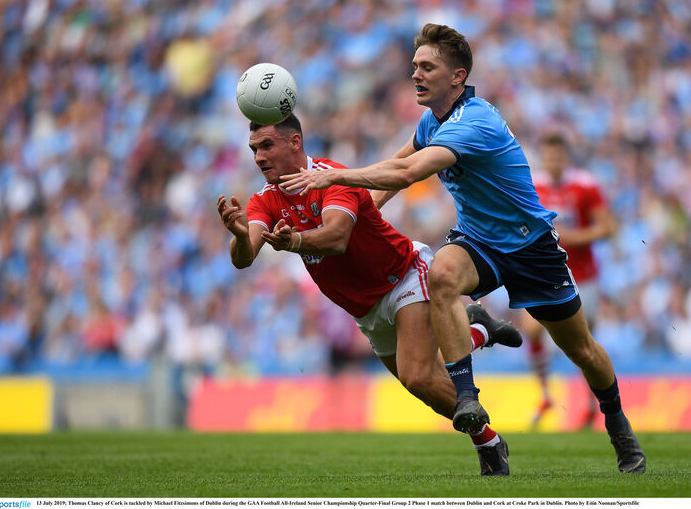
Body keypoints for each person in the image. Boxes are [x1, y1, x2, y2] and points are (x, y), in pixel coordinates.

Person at [280, 23, 646, 474]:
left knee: (581, 349)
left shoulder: (475, 121)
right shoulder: (430, 120)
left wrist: (332, 176)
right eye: (415, 65)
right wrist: (357, 216)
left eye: (427, 66)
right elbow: (396, 164)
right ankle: (467, 396)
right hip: (479, 241)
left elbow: (406, 173)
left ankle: (617, 424)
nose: (415, 73)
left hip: (531, 247)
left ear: (457, 77)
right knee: (443, 274)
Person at [217, 113, 521, 476]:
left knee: (417, 375)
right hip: (364, 309)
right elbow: (245, 258)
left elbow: (337, 238)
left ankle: (487, 445)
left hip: (403, 276)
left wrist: (295, 241)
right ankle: (478, 338)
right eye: (254, 149)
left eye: (267, 145)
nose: (259, 156)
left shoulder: (331, 176)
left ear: (294, 143)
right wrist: (238, 236)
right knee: (428, 382)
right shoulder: (264, 201)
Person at [523, 132, 617, 429]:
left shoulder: (585, 185)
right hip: (546, 273)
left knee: (583, 344)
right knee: (532, 330)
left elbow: (607, 227)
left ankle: (592, 402)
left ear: (566, 157)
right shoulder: (532, 184)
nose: (554, 161)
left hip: (582, 276)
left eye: (558, 155)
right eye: (549, 155)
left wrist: (573, 238)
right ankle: (546, 393)